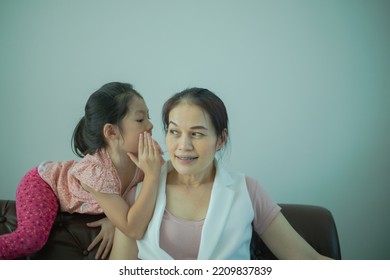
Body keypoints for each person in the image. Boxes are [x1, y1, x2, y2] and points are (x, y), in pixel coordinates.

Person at [108, 87, 333, 260]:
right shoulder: (140, 193)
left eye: (196, 134)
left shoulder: (247, 190)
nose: (183, 145)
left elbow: (306, 259)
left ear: (221, 139)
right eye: (174, 132)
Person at [0, 82, 164, 260]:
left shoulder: (147, 156)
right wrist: (152, 177)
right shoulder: (98, 173)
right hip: (44, 183)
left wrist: (114, 221)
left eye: (149, 117)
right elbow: (132, 228)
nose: (150, 125)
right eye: (140, 120)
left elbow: (152, 195)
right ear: (111, 132)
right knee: (31, 239)